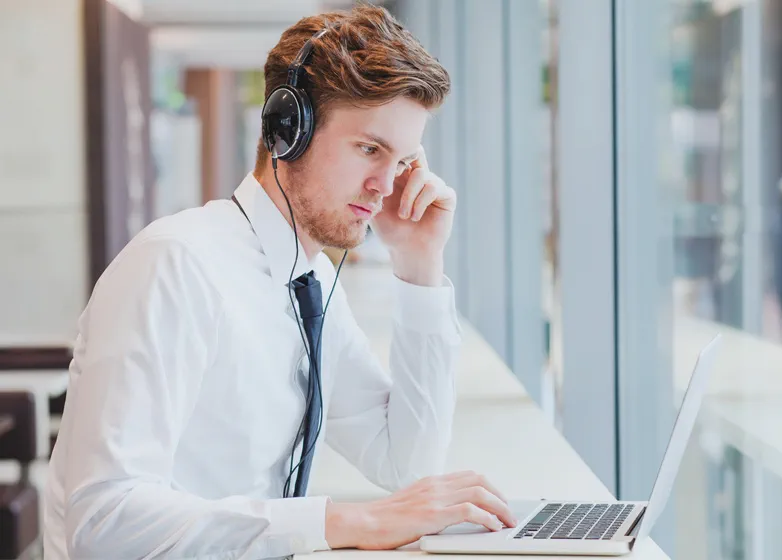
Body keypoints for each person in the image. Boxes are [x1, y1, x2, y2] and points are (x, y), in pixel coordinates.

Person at [43, 5, 517, 559]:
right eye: (370, 149)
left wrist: (419, 265)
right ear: (288, 129)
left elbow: (406, 463)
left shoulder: (307, 281)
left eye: (403, 161)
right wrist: (344, 520)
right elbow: (104, 524)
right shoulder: (175, 266)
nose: (386, 186)